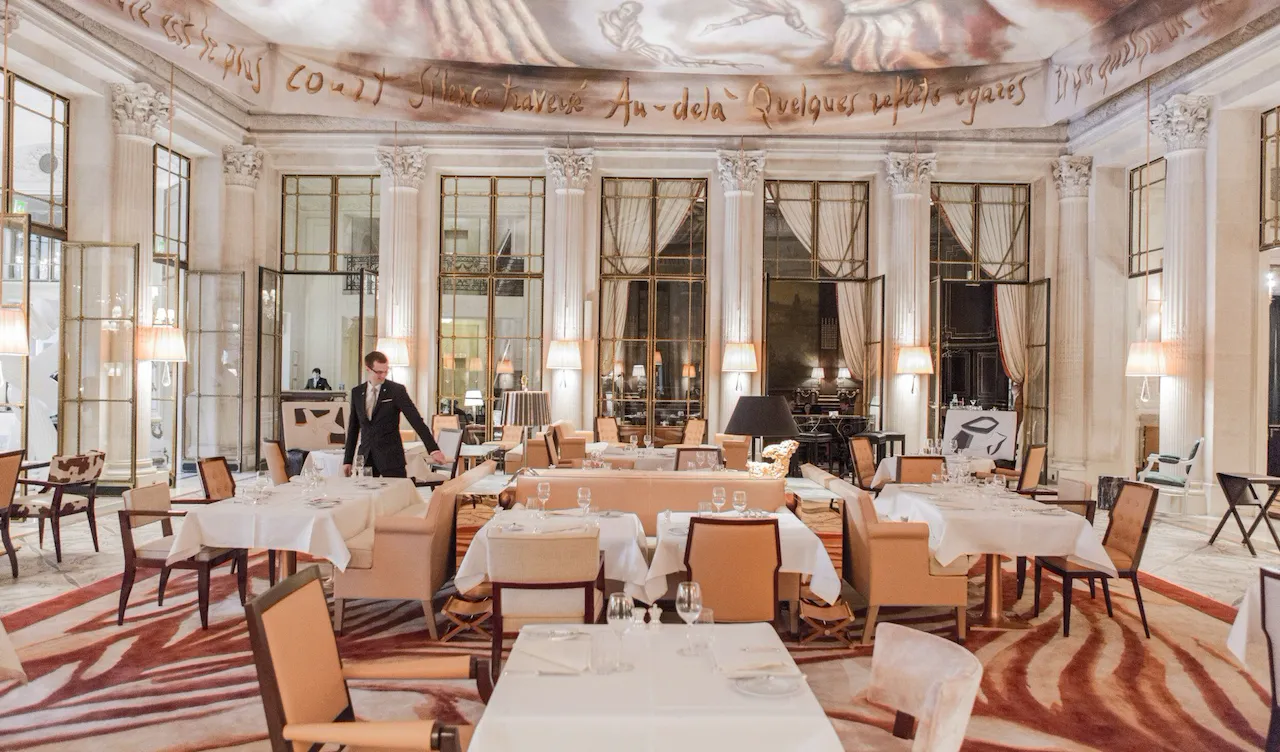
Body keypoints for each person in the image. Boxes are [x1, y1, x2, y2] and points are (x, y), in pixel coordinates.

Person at [343, 351, 446, 477]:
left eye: (386, 371)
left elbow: (416, 420)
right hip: (366, 458)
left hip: (391, 458)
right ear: (368, 369)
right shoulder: (357, 392)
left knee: (397, 495)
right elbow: (353, 428)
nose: (383, 376)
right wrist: (347, 460)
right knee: (368, 495)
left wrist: (433, 449)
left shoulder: (396, 391)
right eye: (379, 372)